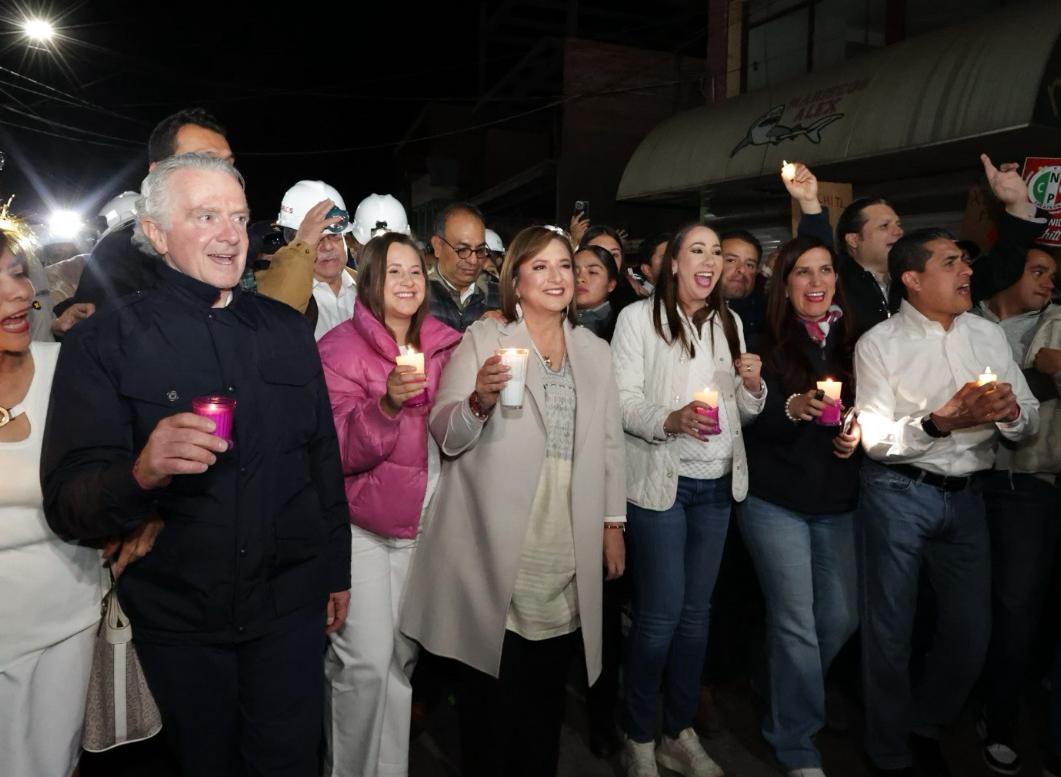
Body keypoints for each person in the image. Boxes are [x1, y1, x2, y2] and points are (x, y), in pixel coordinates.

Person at [41, 152, 352, 777]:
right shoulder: (105, 342)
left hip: (287, 612)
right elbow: (69, 499)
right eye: (205, 215)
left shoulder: (286, 331)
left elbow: (321, 459)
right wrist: (141, 474)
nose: (230, 233)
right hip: (175, 623)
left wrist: (336, 571)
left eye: (237, 216)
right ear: (155, 233)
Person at [400, 225, 626, 777]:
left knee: (546, 688)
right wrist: (478, 399)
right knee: (490, 690)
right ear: (517, 281)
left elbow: (610, 441)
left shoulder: (595, 352)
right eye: (541, 267)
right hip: (494, 536)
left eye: (565, 266)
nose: (557, 277)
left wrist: (612, 521)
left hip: (564, 532)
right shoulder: (487, 338)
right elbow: (446, 433)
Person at [855, 228, 1039, 776]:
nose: (967, 273)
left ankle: (923, 719)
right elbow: (874, 440)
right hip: (897, 493)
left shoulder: (986, 335)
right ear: (912, 279)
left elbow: (1025, 418)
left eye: (964, 262)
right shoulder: (879, 344)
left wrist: (1009, 414)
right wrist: (939, 422)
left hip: (967, 498)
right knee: (890, 630)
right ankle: (888, 752)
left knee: (969, 633)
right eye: (951, 263)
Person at [610, 223, 766, 777]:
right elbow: (623, 403)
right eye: (696, 250)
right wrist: (668, 419)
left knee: (697, 618)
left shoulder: (731, 322)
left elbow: (742, 414)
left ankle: (678, 730)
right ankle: (638, 735)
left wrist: (752, 389)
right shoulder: (637, 320)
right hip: (662, 484)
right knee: (658, 617)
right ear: (673, 263)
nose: (709, 261)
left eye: (716, 253)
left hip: (719, 484)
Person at [317, 233, 460, 777]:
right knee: (364, 666)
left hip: (424, 526)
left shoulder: (447, 345)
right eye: (394, 271)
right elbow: (334, 452)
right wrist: (387, 404)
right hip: (363, 528)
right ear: (371, 280)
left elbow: (454, 436)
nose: (407, 282)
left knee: (400, 664)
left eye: (416, 272)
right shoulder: (338, 348)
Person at [740, 236, 862, 777]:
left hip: (836, 497)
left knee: (839, 618)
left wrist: (856, 436)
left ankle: (772, 684)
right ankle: (795, 742)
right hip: (775, 498)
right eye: (803, 273)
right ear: (784, 285)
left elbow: (873, 408)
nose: (816, 282)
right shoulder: (762, 341)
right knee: (797, 624)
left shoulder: (858, 342)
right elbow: (746, 420)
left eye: (826, 271)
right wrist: (788, 407)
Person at [0, 206, 102, 777]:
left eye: (17, 273)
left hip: (67, 613)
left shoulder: (69, 369)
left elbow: (111, 474)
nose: (16, 294)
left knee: (50, 765)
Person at [973, 246, 1061, 775]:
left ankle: (999, 714)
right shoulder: (968, 319)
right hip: (964, 476)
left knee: (1017, 605)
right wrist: (1041, 376)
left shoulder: (1058, 322)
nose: (1048, 282)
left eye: (1053, 275)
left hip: (1029, 478)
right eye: (1037, 271)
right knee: (964, 602)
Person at [785, 155, 1045, 334]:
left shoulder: (923, 276)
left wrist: (1017, 204)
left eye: (898, 224)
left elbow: (998, 270)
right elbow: (813, 255)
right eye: (884, 226)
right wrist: (809, 202)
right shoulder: (836, 280)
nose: (898, 232)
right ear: (854, 240)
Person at [67, 107, 233, 312]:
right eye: (204, 161)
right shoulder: (120, 251)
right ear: (158, 174)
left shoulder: (235, 241)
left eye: (229, 164)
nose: (226, 175)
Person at [255, 180, 357, 339]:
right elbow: (276, 325)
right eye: (317, 239)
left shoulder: (369, 287)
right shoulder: (273, 289)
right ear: (295, 242)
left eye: (334, 235)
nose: (328, 247)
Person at [427, 202, 499, 331]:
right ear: (438, 245)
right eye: (463, 250)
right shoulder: (417, 296)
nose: (473, 260)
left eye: (480, 250)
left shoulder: (500, 297)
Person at [719, 229, 767, 352]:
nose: (742, 269)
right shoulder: (687, 313)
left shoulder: (768, 316)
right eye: (731, 260)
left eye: (749, 264)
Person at [575, 243, 619, 341]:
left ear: (611, 284)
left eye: (592, 272)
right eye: (574, 271)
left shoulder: (622, 324)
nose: (579, 279)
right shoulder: (554, 321)